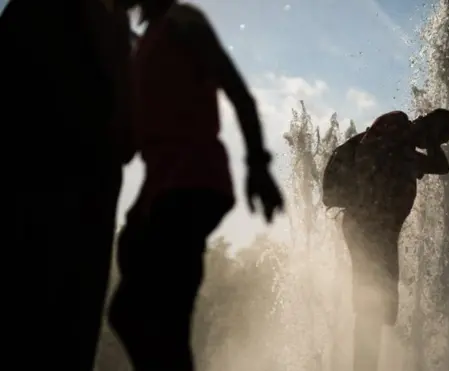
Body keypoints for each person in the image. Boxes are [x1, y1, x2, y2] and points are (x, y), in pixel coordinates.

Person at [107, 1, 284, 370]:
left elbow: (236, 89)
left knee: (156, 318)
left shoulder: (181, 21)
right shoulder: (143, 46)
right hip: (161, 188)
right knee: (134, 314)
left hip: (192, 182)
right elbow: (130, 142)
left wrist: (258, 164)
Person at [2, 1, 135, 370]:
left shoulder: (21, 15)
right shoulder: (106, 19)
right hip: (81, 183)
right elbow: (126, 135)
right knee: (67, 327)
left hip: (34, 181)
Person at [322, 109, 449, 371]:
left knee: (381, 304)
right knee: (370, 300)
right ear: (428, 123)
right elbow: (367, 153)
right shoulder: (396, 124)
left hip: (382, 231)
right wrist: (426, 133)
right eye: (438, 138)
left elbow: (442, 167)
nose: (434, 145)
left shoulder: (406, 152)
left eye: (440, 142)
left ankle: (366, 365)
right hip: (366, 225)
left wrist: (429, 139)